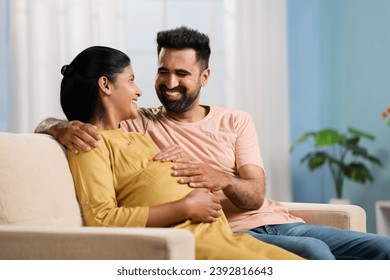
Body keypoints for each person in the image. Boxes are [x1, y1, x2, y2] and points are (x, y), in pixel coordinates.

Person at [36, 26, 390, 260]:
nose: (167, 82)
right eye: (162, 71)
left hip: (275, 221)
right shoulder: (139, 121)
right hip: (223, 230)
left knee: (383, 249)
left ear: (204, 76)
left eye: (182, 74)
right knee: (313, 254)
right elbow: (84, 120)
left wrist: (219, 178)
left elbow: (253, 194)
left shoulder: (235, 120)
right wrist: (56, 126)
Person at [57, 45, 302, 260]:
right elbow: (101, 218)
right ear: (105, 85)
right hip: (192, 244)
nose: (139, 90)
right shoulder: (88, 143)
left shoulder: (136, 137)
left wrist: (179, 165)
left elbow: (151, 184)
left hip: (223, 236)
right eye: (131, 80)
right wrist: (183, 207)